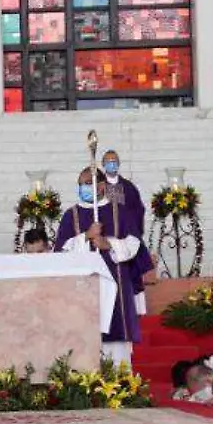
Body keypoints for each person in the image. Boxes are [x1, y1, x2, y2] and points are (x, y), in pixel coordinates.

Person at [56, 168, 147, 368]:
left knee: (116, 342)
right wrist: (85, 237)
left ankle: (121, 387)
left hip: (116, 285)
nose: (84, 188)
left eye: (88, 183)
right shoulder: (71, 216)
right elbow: (61, 251)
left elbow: (134, 243)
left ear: (102, 186)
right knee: (83, 340)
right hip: (82, 287)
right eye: (81, 184)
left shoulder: (120, 211)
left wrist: (109, 244)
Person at [99, 149, 150, 297]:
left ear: (119, 164)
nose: (111, 164)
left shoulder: (128, 187)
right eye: (108, 162)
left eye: (114, 161)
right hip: (106, 239)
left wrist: (132, 230)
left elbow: (138, 210)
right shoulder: (99, 188)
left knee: (127, 281)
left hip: (126, 238)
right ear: (103, 165)